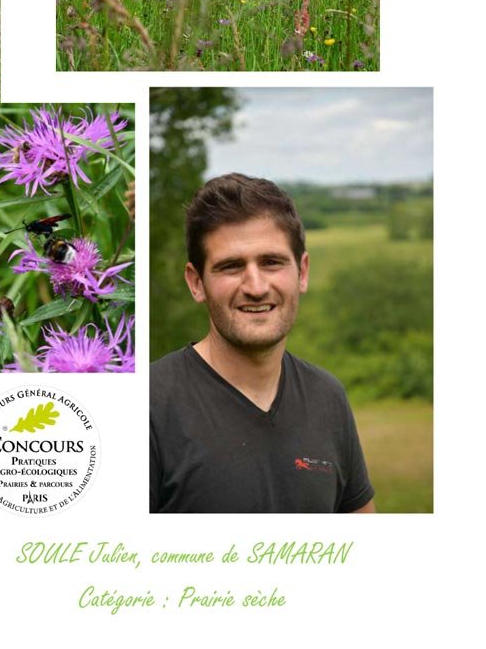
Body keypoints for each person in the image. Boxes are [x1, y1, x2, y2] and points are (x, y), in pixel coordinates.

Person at [150, 173, 375, 514]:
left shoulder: (328, 398)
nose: (255, 286)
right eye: (231, 266)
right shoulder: (148, 405)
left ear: (302, 272)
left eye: (271, 262)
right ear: (196, 283)